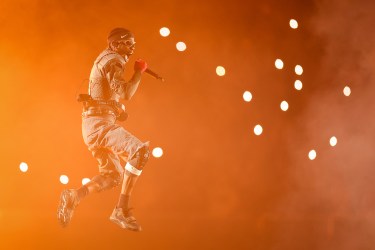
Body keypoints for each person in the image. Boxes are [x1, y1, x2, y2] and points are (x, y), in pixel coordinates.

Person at [57, 28, 150, 232]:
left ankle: (76, 195)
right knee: (140, 151)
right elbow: (125, 92)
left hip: (93, 126)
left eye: (133, 43)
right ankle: (121, 210)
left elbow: (102, 95)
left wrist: (116, 109)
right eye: (127, 42)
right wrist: (138, 72)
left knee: (113, 175)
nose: (132, 46)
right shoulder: (113, 60)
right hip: (100, 126)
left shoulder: (107, 59)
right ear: (115, 44)